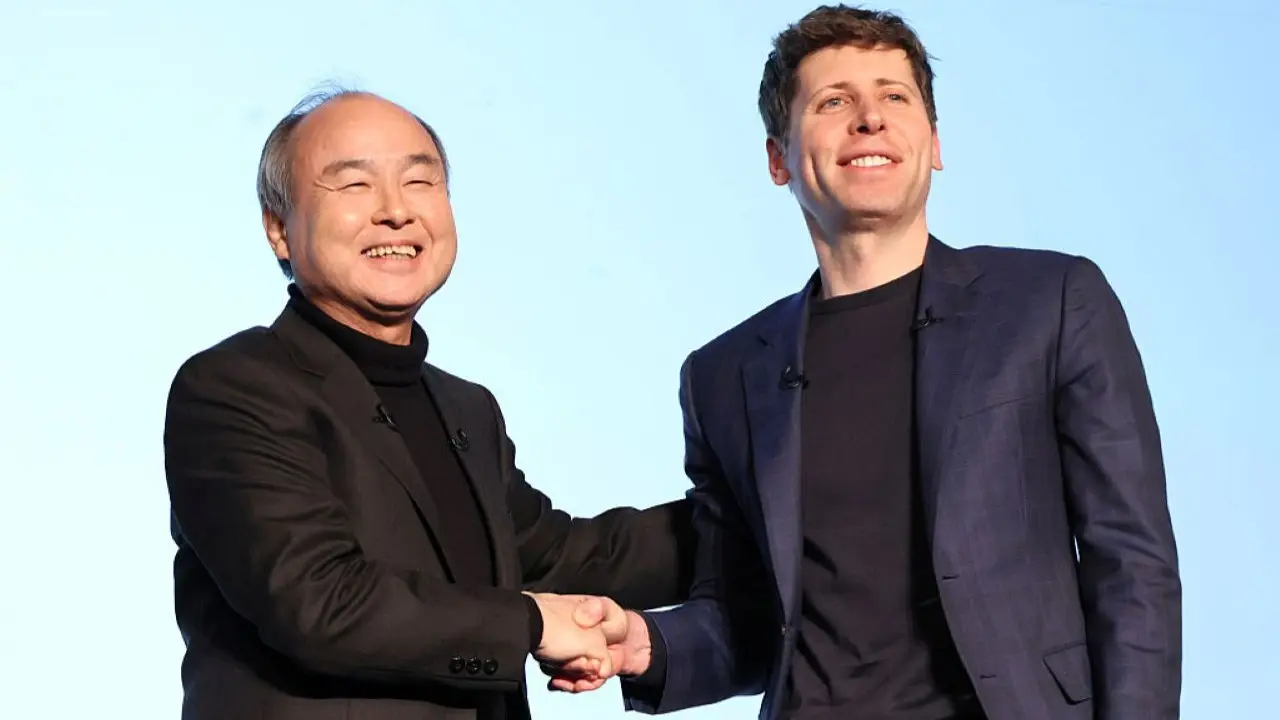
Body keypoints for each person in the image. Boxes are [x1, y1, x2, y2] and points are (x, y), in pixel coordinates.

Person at [549, 5, 1182, 719]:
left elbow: (1132, 564)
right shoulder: (722, 376)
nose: (870, 119)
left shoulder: (1052, 301)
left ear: (933, 142)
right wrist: (646, 644)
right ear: (779, 159)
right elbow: (747, 618)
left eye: (894, 96)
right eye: (834, 102)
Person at [163, 89, 693, 720]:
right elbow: (318, 600)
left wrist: (755, 516)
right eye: (354, 185)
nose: (396, 211)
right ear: (279, 228)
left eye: (420, 181)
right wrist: (529, 623)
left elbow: (562, 556)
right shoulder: (233, 387)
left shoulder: (466, 408)